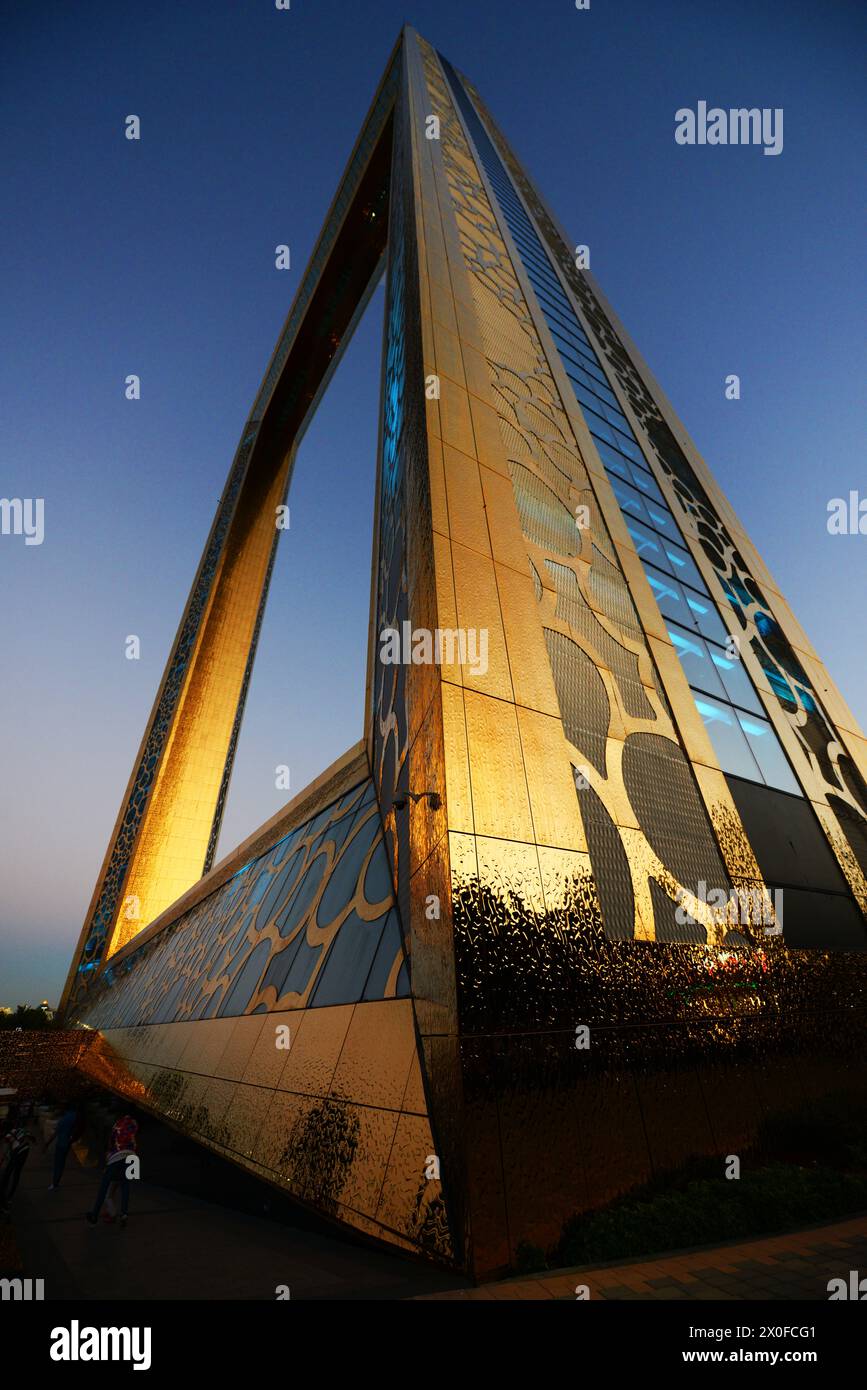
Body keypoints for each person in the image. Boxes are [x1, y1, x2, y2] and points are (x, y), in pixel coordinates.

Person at [86, 1113, 139, 1228]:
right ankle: (124, 1214)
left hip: (117, 1156)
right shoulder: (134, 1123)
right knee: (126, 1186)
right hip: (132, 1157)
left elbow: (111, 1141)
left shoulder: (117, 1124)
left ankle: (94, 1215)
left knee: (104, 1187)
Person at [45, 1104, 86, 1190]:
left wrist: (47, 1143)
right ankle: (56, 1181)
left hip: (62, 1143)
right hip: (68, 1142)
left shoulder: (64, 1119)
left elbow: (56, 1132)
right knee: (61, 1162)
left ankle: (55, 1182)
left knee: (58, 1163)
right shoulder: (75, 1116)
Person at [0, 1112, 35, 1210]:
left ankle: (4, 1193)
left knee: (8, 1172)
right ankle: (10, 1195)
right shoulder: (20, 1130)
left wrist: (4, 1158)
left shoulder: (8, 1135)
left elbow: (7, 1149)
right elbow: (31, 1137)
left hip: (19, 1152)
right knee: (16, 1173)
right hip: (25, 1151)